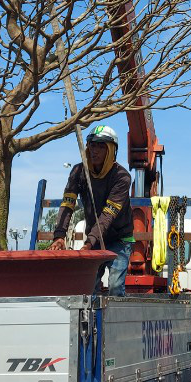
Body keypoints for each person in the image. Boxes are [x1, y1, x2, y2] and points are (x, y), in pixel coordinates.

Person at [49, 124, 133, 295]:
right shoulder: (78, 171)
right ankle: (91, 321)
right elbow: (67, 204)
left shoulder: (122, 177)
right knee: (88, 287)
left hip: (120, 240)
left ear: (111, 150)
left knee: (115, 285)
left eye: (101, 146)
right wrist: (59, 236)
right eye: (92, 145)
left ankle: (112, 321)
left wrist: (88, 243)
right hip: (93, 240)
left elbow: (107, 215)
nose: (95, 150)